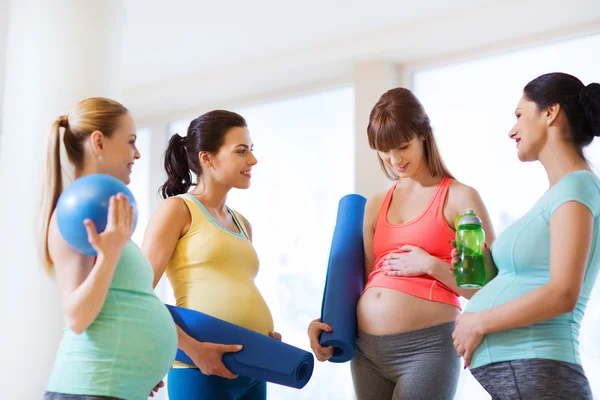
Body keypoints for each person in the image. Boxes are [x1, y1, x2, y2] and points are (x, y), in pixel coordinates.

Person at [308, 87, 496, 400]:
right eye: (384, 150)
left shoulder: (460, 198)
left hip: (428, 348)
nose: (394, 159)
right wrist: (326, 323)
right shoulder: (376, 204)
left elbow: (488, 291)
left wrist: (431, 265)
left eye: (403, 146)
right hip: (366, 352)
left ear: (424, 135)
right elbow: (363, 284)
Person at [452, 72, 600, 400]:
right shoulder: (558, 194)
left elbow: (563, 293)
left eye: (519, 115)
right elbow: (514, 285)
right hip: (528, 376)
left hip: (539, 372)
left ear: (550, 112)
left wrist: (479, 323)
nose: (512, 130)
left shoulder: (577, 187)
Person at [39, 98, 177, 400]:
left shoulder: (100, 214)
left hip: (115, 388)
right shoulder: (77, 212)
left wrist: (142, 364)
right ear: (99, 142)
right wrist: (110, 255)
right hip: (90, 389)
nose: (137, 153)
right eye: (130, 142)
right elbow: (77, 317)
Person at [142, 110, 281, 400]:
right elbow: (137, 293)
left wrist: (263, 338)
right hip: (198, 368)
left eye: (251, 150)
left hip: (253, 365)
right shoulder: (177, 210)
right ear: (207, 158)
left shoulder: (243, 223)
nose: (252, 160)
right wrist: (193, 349)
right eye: (241, 151)